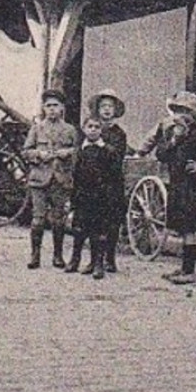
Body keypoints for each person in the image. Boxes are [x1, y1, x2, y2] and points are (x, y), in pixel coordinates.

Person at [140, 90, 196, 285]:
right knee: (181, 226)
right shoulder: (170, 131)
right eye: (178, 111)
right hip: (177, 184)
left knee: (189, 229)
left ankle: (189, 271)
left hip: (193, 186)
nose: (181, 116)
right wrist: (173, 141)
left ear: (193, 114)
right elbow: (161, 154)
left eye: (186, 112)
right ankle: (185, 268)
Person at [67, 91, 129, 273]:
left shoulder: (118, 134)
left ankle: (108, 259)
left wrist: (103, 147)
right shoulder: (87, 132)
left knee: (109, 223)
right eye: (103, 107)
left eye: (110, 107)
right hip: (88, 185)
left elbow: (117, 159)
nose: (107, 110)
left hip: (110, 184)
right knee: (85, 223)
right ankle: (88, 261)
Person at [23, 88, 79, 270]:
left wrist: (68, 153)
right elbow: (26, 151)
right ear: (43, 108)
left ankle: (58, 255)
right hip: (39, 179)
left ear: (62, 108)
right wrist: (38, 154)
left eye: (55, 105)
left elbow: (79, 152)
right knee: (38, 219)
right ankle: (35, 255)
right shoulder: (37, 128)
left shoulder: (70, 130)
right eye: (48, 106)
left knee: (58, 220)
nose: (52, 109)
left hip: (61, 179)